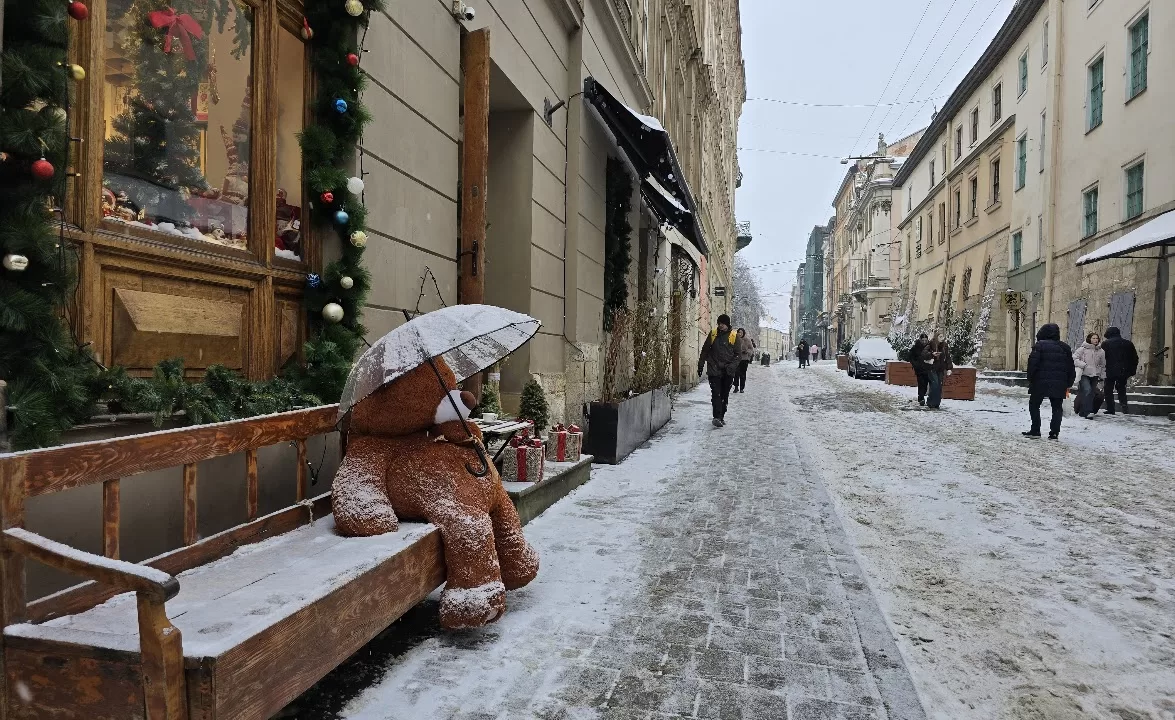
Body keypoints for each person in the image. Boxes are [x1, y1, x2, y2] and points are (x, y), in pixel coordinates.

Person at [1024, 323, 1076, 439]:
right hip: (1059, 382)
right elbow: (1070, 367)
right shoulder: (1065, 347)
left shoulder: (1040, 345)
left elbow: (1033, 364)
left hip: (1040, 381)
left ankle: (1035, 430)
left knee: (1034, 405)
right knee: (1057, 407)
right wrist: (1069, 382)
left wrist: (1030, 378)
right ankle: (1054, 432)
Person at [698, 314, 747, 427]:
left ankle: (721, 416)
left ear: (727, 324)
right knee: (716, 393)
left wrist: (731, 367)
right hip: (714, 369)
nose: (720, 325)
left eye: (723, 324)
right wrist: (700, 365)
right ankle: (716, 417)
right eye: (719, 323)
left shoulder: (734, 336)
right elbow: (705, 351)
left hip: (728, 371)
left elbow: (738, 355)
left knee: (724, 394)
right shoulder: (713, 334)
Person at [1101, 326, 1138, 415]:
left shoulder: (1106, 344)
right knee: (1121, 388)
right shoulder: (1128, 343)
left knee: (1108, 389)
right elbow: (1134, 358)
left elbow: (1102, 358)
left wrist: (1101, 370)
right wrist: (1132, 370)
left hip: (1110, 370)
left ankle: (1111, 408)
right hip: (1124, 370)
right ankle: (1124, 405)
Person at [1072, 332, 1106, 419]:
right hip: (1084, 374)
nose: (1095, 340)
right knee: (1087, 390)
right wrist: (1083, 365)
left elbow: (1103, 364)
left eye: (1097, 338)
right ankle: (1087, 412)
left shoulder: (1101, 351)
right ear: (1089, 339)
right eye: (1093, 338)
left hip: (1095, 375)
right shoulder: (1082, 349)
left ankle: (1083, 411)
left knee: (1091, 393)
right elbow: (1074, 358)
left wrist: (1102, 376)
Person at [921, 331, 953, 409]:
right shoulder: (931, 344)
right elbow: (924, 354)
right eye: (940, 336)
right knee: (934, 385)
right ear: (936, 337)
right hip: (932, 368)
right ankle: (930, 402)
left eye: (943, 336)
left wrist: (949, 368)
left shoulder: (945, 346)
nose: (942, 338)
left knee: (939, 386)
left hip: (940, 369)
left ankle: (936, 403)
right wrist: (932, 354)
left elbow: (947, 357)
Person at [910, 333, 931, 406]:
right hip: (919, 369)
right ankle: (921, 398)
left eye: (925, 340)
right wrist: (915, 365)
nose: (924, 342)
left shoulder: (929, 347)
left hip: (927, 368)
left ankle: (922, 395)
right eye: (923, 340)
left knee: (925, 384)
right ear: (920, 340)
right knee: (921, 383)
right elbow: (911, 357)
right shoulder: (916, 347)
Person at [734, 328, 754, 393]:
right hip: (736, 359)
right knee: (736, 373)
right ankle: (736, 387)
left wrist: (747, 351)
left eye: (741, 332)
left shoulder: (747, 340)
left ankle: (741, 388)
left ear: (743, 333)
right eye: (739, 332)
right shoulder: (735, 339)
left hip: (744, 359)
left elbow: (751, 349)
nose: (740, 334)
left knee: (742, 374)